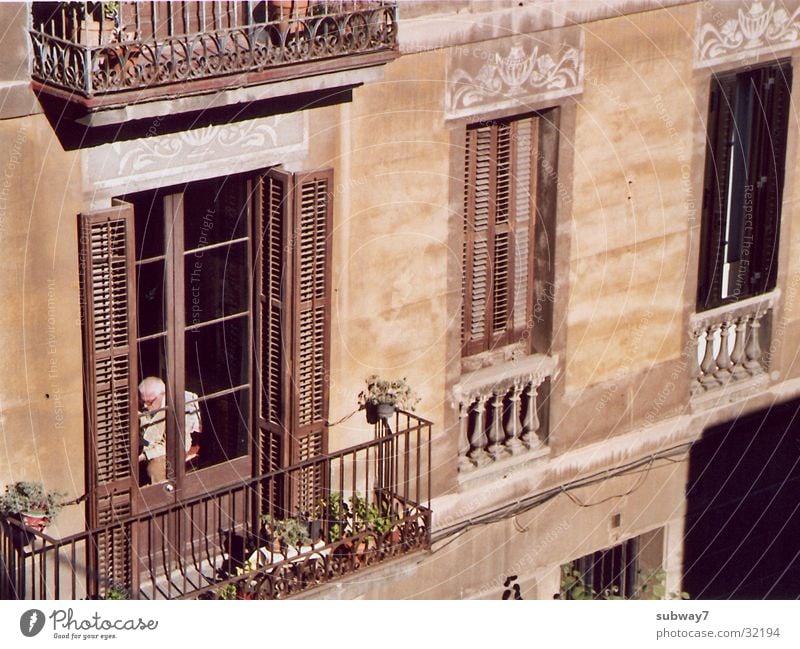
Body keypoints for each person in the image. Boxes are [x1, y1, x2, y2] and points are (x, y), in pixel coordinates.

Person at [138, 377, 202, 485]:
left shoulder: (178, 407)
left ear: (163, 395)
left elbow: (176, 444)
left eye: (149, 402)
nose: (145, 406)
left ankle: (160, 496)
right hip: (148, 445)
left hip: (169, 450)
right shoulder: (148, 405)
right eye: (143, 401)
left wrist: (145, 455)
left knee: (155, 468)